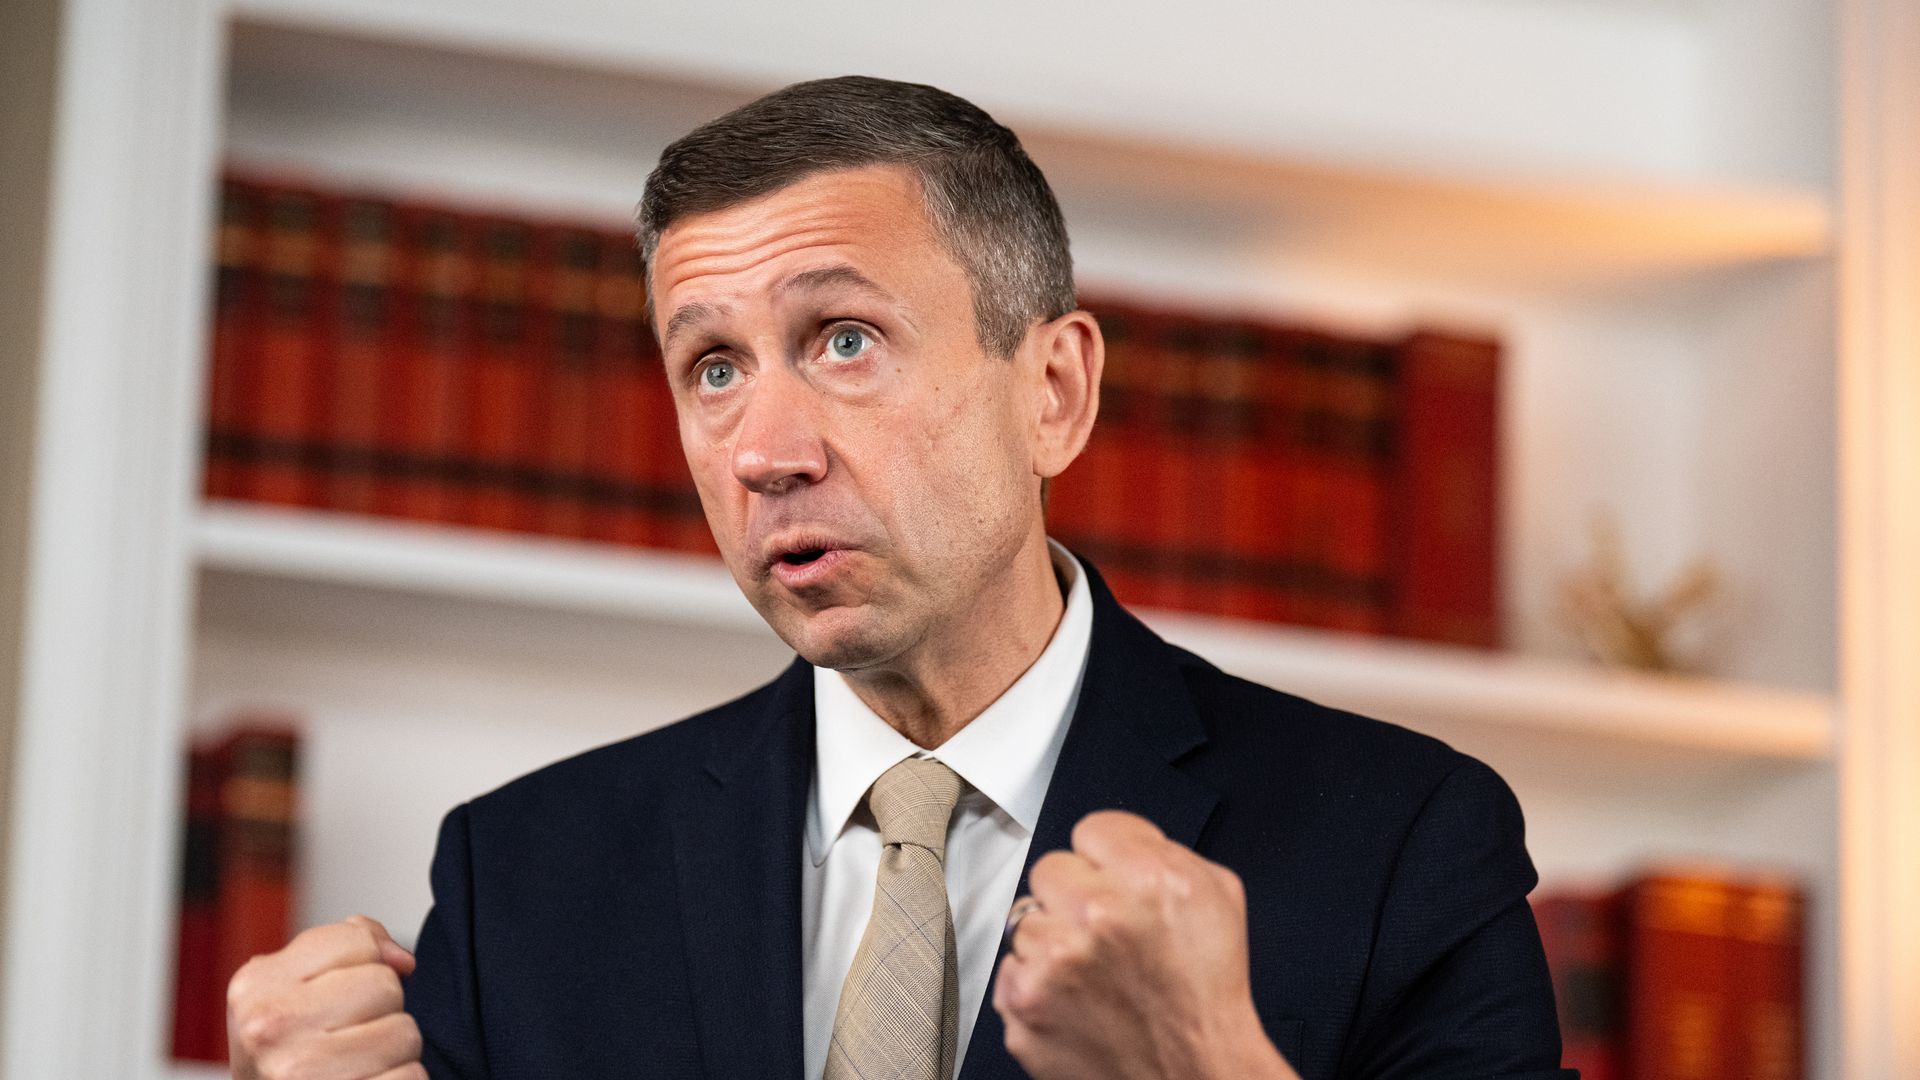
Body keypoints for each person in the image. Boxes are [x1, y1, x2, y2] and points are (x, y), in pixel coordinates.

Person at [225, 76, 1571, 1080]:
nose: (762, 451)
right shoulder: (520, 881)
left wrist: (1213, 1062)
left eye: (846, 339)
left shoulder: (1404, 845)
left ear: (1052, 392)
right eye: (712, 367)